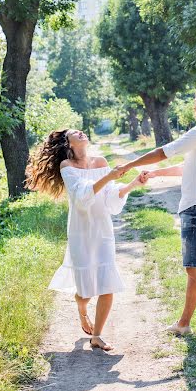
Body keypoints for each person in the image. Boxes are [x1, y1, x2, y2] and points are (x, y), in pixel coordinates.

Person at [115, 83, 196, 340]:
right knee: (195, 267)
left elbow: (164, 151)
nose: (194, 106)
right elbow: (188, 167)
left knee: (195, 268)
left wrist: (129, 164)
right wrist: (154, 174)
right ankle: (184, 323)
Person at [25, 128, 147, 351]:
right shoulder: (67, 167)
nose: (80, 133)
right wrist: (109, 176)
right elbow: (82, 197)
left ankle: (97, 336)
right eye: (75, 133)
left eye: (81, 131)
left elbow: (110, 197)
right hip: (81, 232)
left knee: (107, 283)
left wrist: (133, 184)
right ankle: (82, 311)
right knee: (85, 291)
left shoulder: (100, 161)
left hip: (102, 230)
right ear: (68, 143)